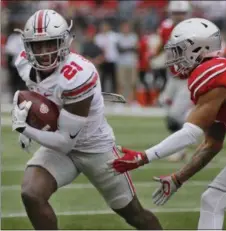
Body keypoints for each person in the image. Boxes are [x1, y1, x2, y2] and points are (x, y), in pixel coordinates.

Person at [107, 18, 226, 230]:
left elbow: (190, 133)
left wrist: (144, 157)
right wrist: (179, 178)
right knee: (213, 199)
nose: (174, 56)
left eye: (179, 49)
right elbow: (212, 143)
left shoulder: (212, 73)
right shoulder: (216, 73)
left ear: (198, 48)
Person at [11, 9, 162, 230]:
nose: (43, 52)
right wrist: (29, 115)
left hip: (94, 147)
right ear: (27, 46)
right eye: (37, 45)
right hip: (59, 144)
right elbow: (34, 94)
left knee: (134, 215)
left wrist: (27, 129)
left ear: (64, 42)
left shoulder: (78, 75)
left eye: (50, 44)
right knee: (31, 193)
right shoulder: (24, 63)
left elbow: (65, 141)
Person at [152, 0, 194, 161]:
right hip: (172, 76)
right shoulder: (165, 27)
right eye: (176, 13)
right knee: (168, 110)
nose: (178, 16)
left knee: (176, 114)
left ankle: (181, 148)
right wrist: (154, 56)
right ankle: (182, 139)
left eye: (181, 13)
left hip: (187, 77)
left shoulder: (193, 28)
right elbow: (163, 45)